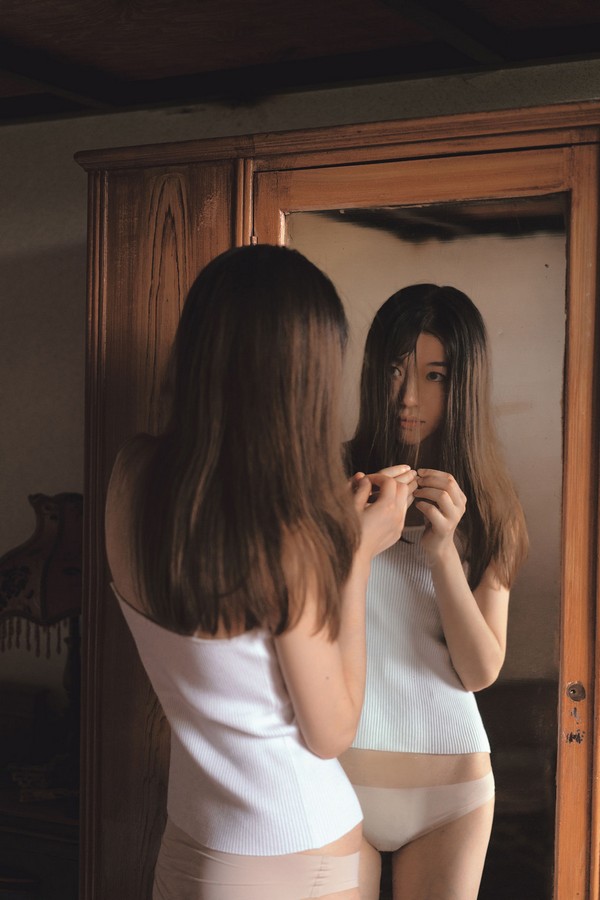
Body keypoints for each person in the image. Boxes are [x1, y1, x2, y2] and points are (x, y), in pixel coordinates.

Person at [104, 244, 417, 900]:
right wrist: (355, 557)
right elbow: (331, 733)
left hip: (193, 843)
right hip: (298, 852)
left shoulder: (130, 476)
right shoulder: (287, 542)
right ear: (303, 380)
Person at [340, 283, 529, 900]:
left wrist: (442, 550)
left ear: (463, 384)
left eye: (434, 375)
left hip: (452, 791)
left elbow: (480, 670)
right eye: (396, 369)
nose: (408, 397)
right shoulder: (330, 483)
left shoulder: (493, 508)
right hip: (335, 780)